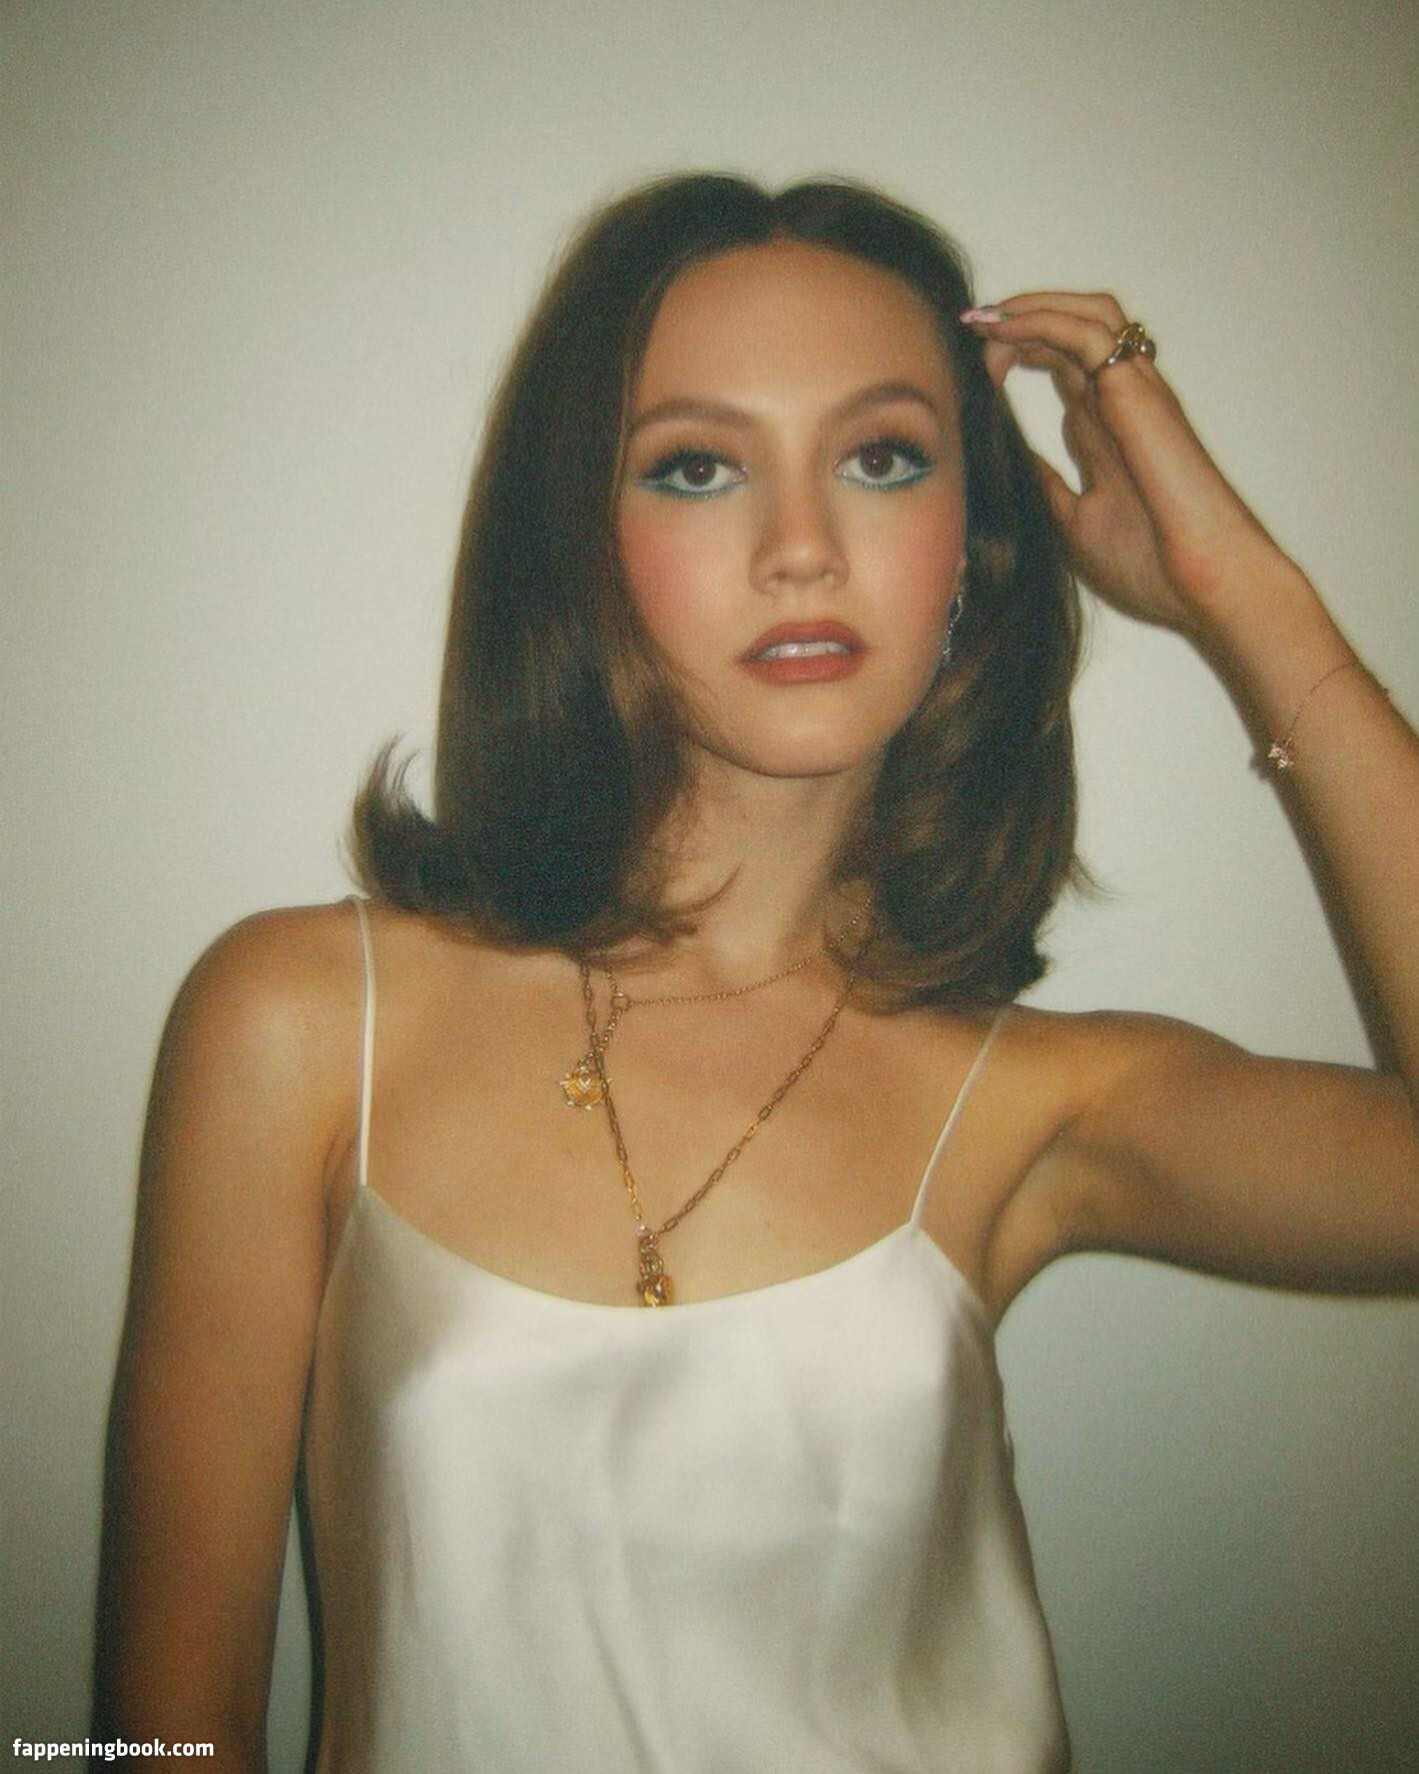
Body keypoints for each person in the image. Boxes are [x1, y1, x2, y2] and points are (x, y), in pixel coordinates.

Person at [92, 174, 1419, 1772]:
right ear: (582, 540)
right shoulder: (300, 1022)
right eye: (698, 467)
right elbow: (160, 1736)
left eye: (882, 458)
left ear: (974, 546)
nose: (802, 547)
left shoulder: (1036, 1100)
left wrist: (1236, 593)